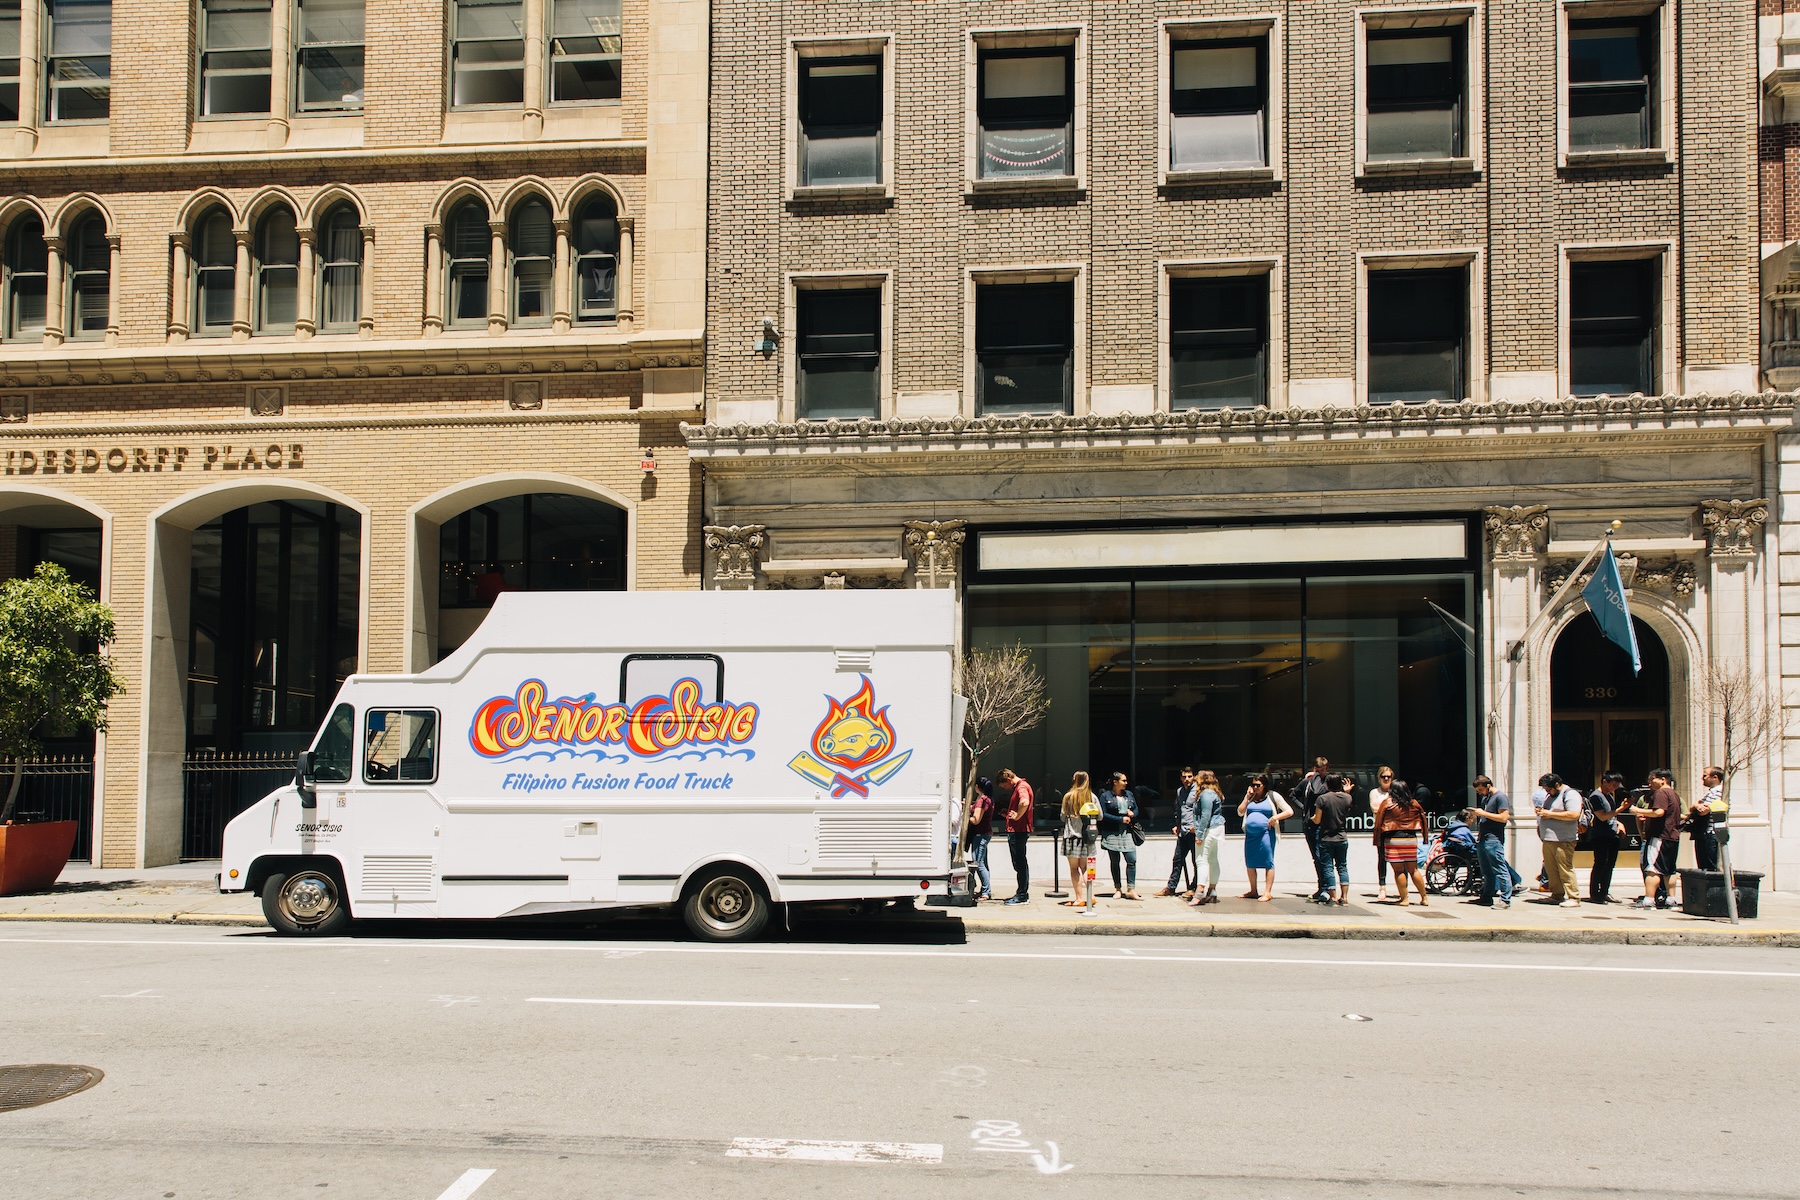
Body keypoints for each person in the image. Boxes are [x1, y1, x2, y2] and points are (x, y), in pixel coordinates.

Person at [1627, 768, 1682, 909]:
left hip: (1660, 837)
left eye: (1652, 779)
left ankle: (1649, 900)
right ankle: (1671, 900)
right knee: (1669, 871)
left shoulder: (1661, 793)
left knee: (1653, 869)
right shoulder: (1674, 794)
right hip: (1672, 837)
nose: (1650, 783)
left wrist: (1637, 810)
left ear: (1663, 779)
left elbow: (1659, 812)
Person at [1238, 774, 1293, 901]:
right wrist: (1247, 797)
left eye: (1258, 785)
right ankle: (1253, 890)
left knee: (1268, 861)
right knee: (1250, 862)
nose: (1255, 787)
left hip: (1266, 834)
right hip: (1251, 835)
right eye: (1253, 785)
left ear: (1265, 785)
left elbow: (1289, 811)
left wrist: (1275, 818)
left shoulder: (1273, 796)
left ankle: (1267, 892)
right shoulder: (1251, 797)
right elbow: (1240, 812)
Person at [1533, 772, 1584, 908]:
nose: (1547, 791)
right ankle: (1557, 894)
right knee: (1551, 869)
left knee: (1565, 868)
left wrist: (1549, 813)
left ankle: (1574, 897)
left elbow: (1574, 814)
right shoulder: (1550, 796)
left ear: (1557, 784)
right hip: (1549, 839)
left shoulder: (1570, 794)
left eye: (1548, 789)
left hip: (1563, 839)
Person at [1378, 781, 1429, 906]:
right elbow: (1423, 819)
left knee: (1399, 871)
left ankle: (1404, 899)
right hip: (1410, 838)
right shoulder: (1414, 803)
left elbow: (1378, 823)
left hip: (1393, 839)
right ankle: (1424, 898)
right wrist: (1425, 838)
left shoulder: (1387, 803)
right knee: (1414, 870)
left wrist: (1377, 840)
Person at [1309, 773, 1353, 906]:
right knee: (1342, 867)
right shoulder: (1347, 798)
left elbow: (1317, 819)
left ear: (1327, 785)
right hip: (1342, 837)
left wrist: (1311, 818)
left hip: (1326, 838)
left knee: (1328, 867)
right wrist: (1347, 792)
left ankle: (1333, 897)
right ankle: (1344, 897)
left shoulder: (1322, 799)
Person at [1471, 775, 1514, 908]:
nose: (1479, 793)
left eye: (1480, 790)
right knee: (1487, 871)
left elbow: (1503, 817)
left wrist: (1483, 814)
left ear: (1488, 786)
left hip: (1493, 839)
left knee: (1500, 869)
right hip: (1484, 838)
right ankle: (1486, 896)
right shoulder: (1486, 798)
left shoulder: (1500, 797)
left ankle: (1505, 900)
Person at [1098, 771, 1143, 899]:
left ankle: (1131, 889)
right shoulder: (1105, 796)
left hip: (1127, 831)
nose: (1126, 783)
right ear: (1115, 782)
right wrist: (1120, 819)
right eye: (1123, 781)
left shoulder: (1129, 794)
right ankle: (1117, 888)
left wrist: (1133, 813)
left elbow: (1136, 809)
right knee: (1115, 861)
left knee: (1131, 859)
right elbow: (1102, 814)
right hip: (1112, 832)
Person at [1158, 766, 1200, 898]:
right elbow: (1179, 809)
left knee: (1196, 861)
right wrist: (1177, 825)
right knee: (1177, 859)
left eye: (1189, 776)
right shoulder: (1180, 791)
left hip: (1194, 831)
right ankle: (1171, 887)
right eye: (1184, 777)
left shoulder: (1199, 791)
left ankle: (1194, 887)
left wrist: (1197, 826)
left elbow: (1202, 810)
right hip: (1183, 831)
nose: (1187, 779)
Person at [1186, 770, 1227, 906]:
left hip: (1209, 829)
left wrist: (1199, 834)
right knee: (1213, 859)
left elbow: (1205, 816)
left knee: (1201, 860)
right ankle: (1212, 890)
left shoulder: (1206, 795)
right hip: (1217, 829)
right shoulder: (1215, 793)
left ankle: (1199, 892)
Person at [1059, 772, 1099, 909]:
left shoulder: (1068, 797)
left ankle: (1079, 897)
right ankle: (1091, 896)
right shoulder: (1092, 797)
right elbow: (1100, 816)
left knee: (1074, 868)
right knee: (1086, 867)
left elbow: (1063, 817)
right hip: (1088, 837)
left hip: (1072, 836)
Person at [1585, 772, 1625, 904]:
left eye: (1617, 785)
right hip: (1600, 835)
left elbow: (1611, 816)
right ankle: (1595, 894)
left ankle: (1604, 892)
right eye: (1613, 784)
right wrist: (1621, 809)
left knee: (1609, 865)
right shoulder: (1596, 797)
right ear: (1604, 781)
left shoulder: (1609, 796)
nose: (1615, 787)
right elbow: (1602, 816)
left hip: (1611, 834)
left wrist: (1619, 823)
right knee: (1601, 863)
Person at [1298, 755, 1333, 902]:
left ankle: (1326, 888)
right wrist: (1304, 809)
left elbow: (1319, 791)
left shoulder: (1327, 782)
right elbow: (1294, 794)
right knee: (1316, 857)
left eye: (1323, 770)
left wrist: (1315, 778)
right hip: (1309, 823)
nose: (1320, 773)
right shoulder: (1308, 782)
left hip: (1322, 824)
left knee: (1322, 857)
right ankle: (1321, 886)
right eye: (1318, 770)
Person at [999, 768, 1034, 905]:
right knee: (1019, 862)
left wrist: (1017, 816)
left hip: (1018, 830)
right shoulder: (1022, 787)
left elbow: (1024, 802)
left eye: (1004, 786)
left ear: (1008, 780)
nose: (1006, 789)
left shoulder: (1021, 787)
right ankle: (1022, 892)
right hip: (1018, 830)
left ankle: (1022, 894)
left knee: (1019, 862)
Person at [1689, 766, 1728, 872]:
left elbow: (1703, 811)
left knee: (1709, 867)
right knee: (1703, 867)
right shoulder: (1710, 793)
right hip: (1704, 833)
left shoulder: (1719, 792)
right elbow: (1693, 807)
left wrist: (1697, 805)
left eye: (1705, 775)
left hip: (1710, 833)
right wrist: (1698, 806)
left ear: (1715, 777)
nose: (1702, 778)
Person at [966, 776, 995, 900]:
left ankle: (985, 892)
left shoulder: (981, 800)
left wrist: (966, 816)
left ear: (977, 787)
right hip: (985, 833)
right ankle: (985, 889)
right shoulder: (988, 799)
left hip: (980, 835)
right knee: (983, 862)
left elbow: (976, 820)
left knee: (979, 863)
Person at [1369, 767, 1395, 901]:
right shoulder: (1374, 792)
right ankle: (1382, 887)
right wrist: (1390, 807)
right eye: (1383, 776)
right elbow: (1374, 808)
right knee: (1382, 859)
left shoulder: (1395, 792)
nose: (1386, 779)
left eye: (1388, 777)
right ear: (1379, 778)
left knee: (1399, 860)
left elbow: (1398, 810)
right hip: (1380, 828)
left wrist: (1383, 807)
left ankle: (1403, 887)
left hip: (1394, 830)